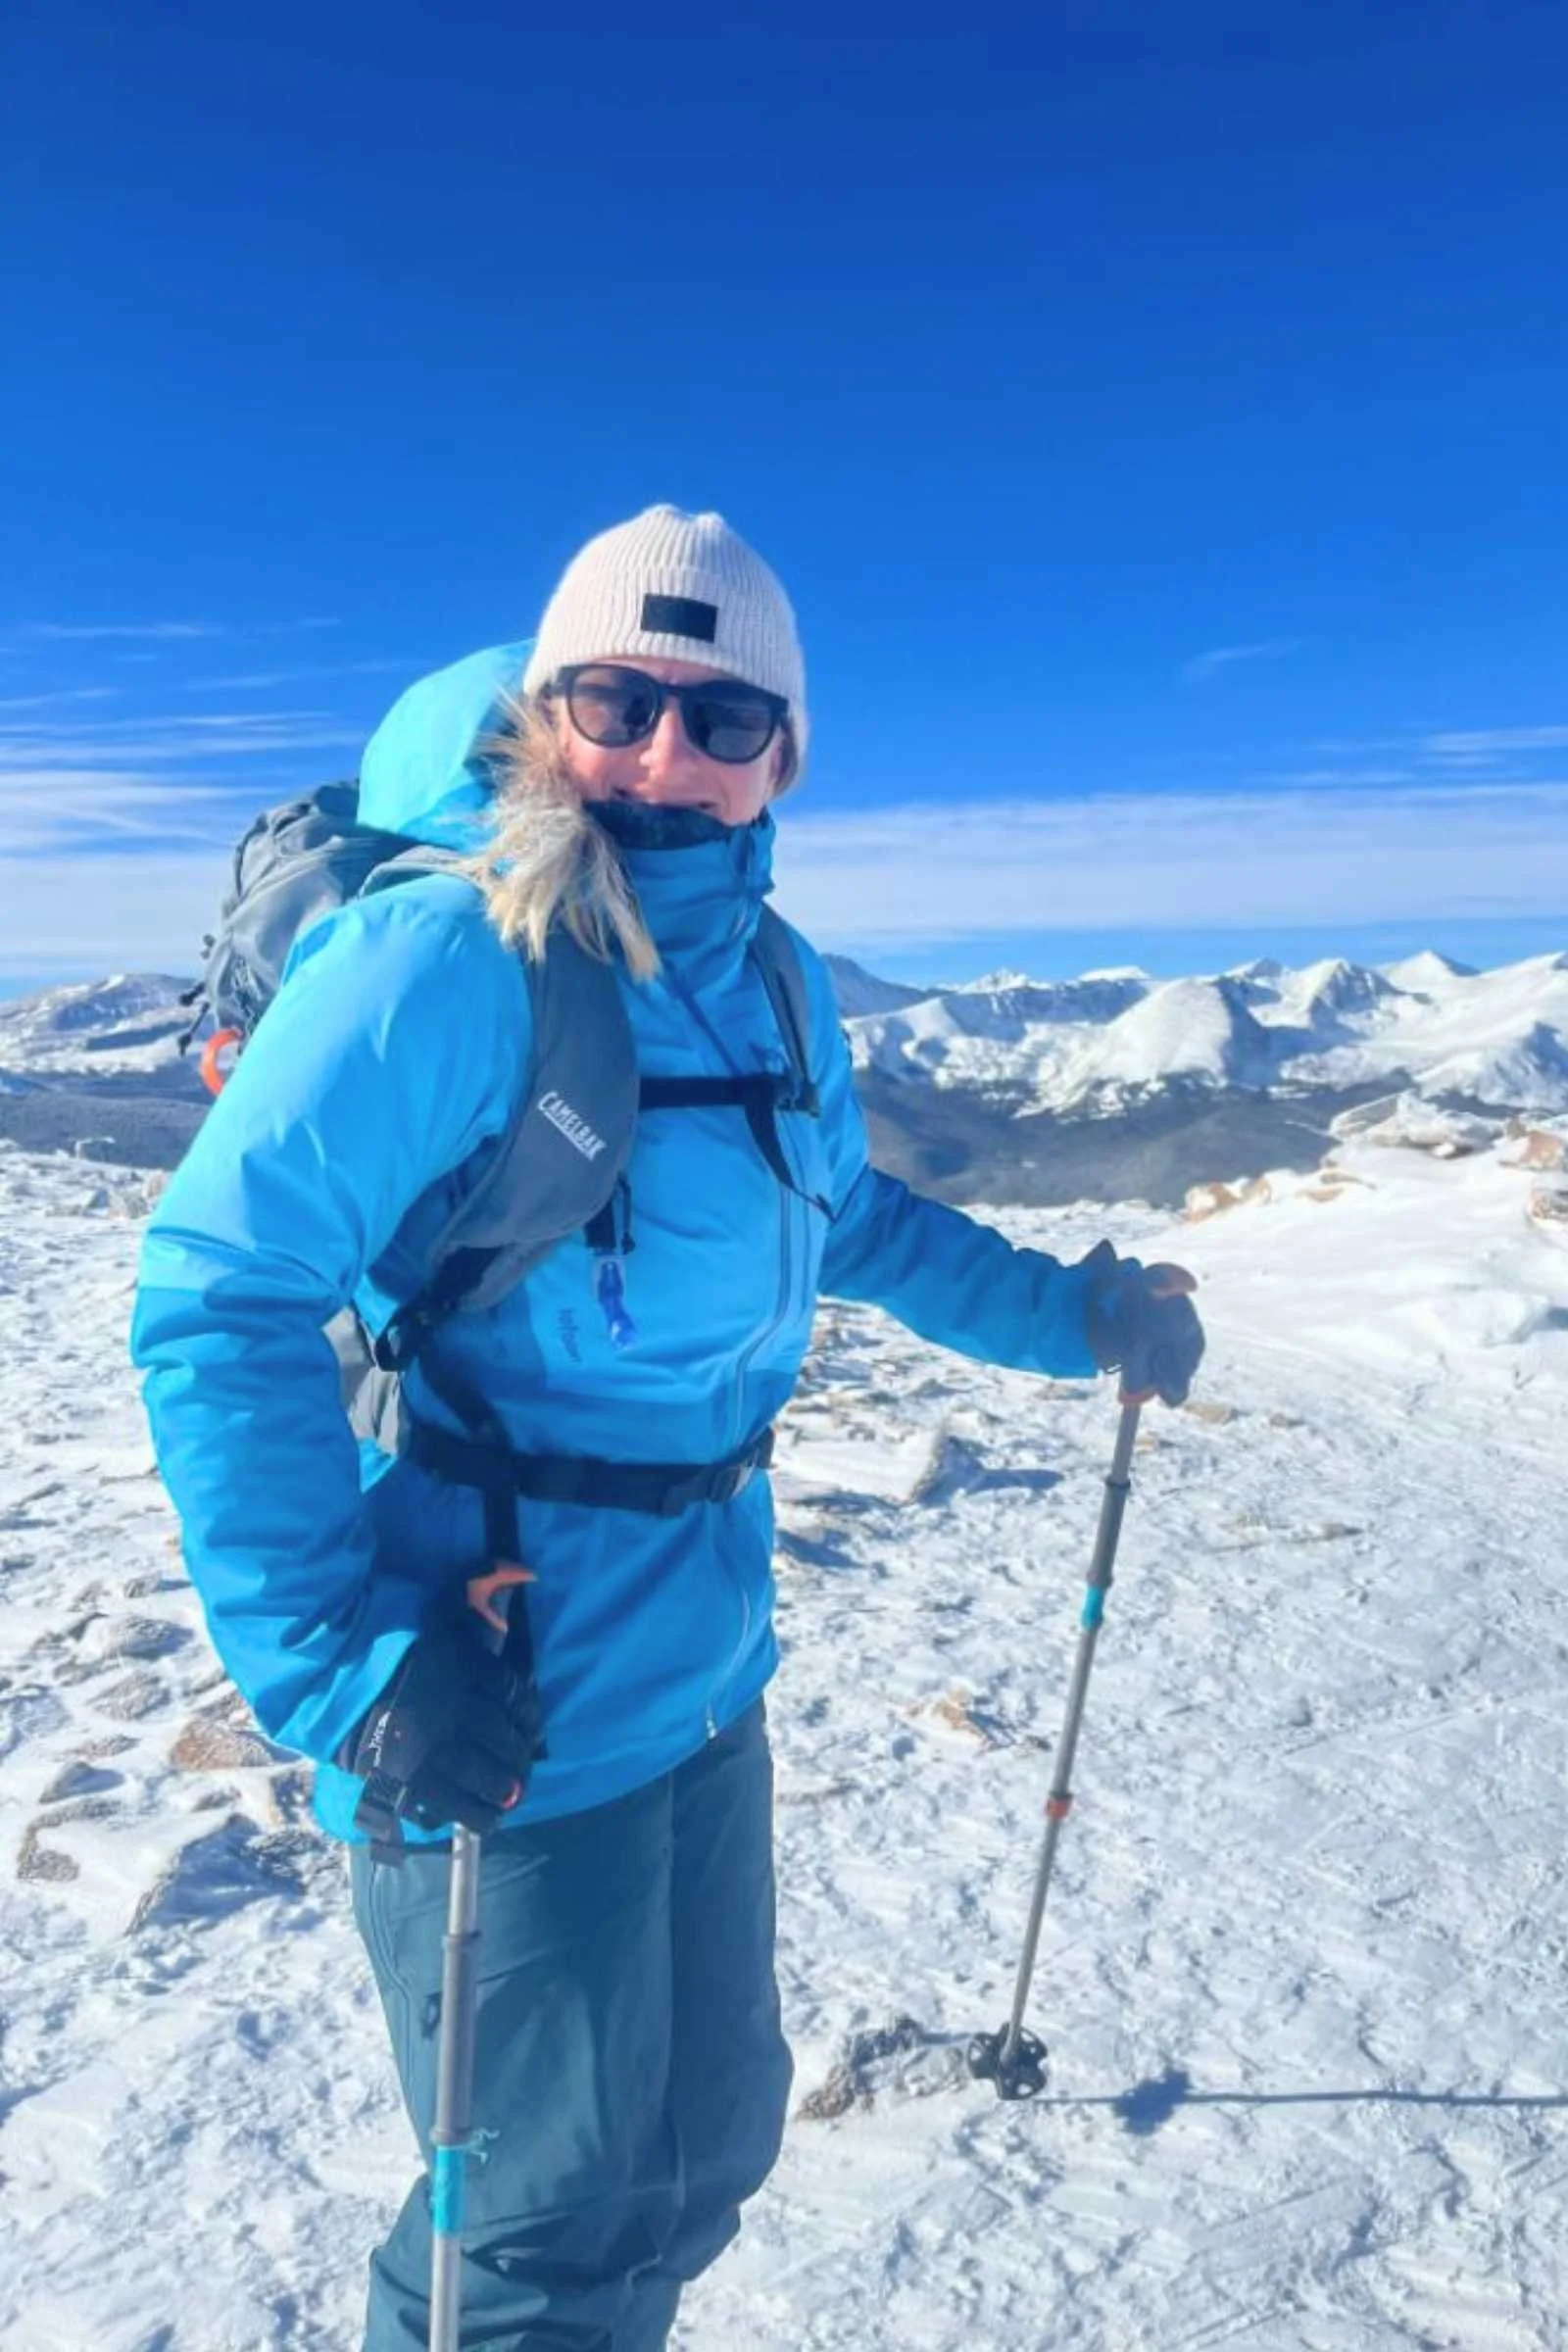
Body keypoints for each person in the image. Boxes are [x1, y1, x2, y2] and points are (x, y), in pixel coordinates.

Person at [131, 506, 1202, 2350]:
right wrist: (338, 1668)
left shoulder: (774, 976)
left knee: (707, 2146)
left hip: (704, 1669)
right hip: (487, 1696)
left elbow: (841, 1216)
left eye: (720, 719)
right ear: (549, 713)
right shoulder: (452, 962)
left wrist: (1070, 1310)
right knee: (530, 2227)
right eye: (616, 700)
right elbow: (214, 1293)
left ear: (787, 752)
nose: (661, 753)